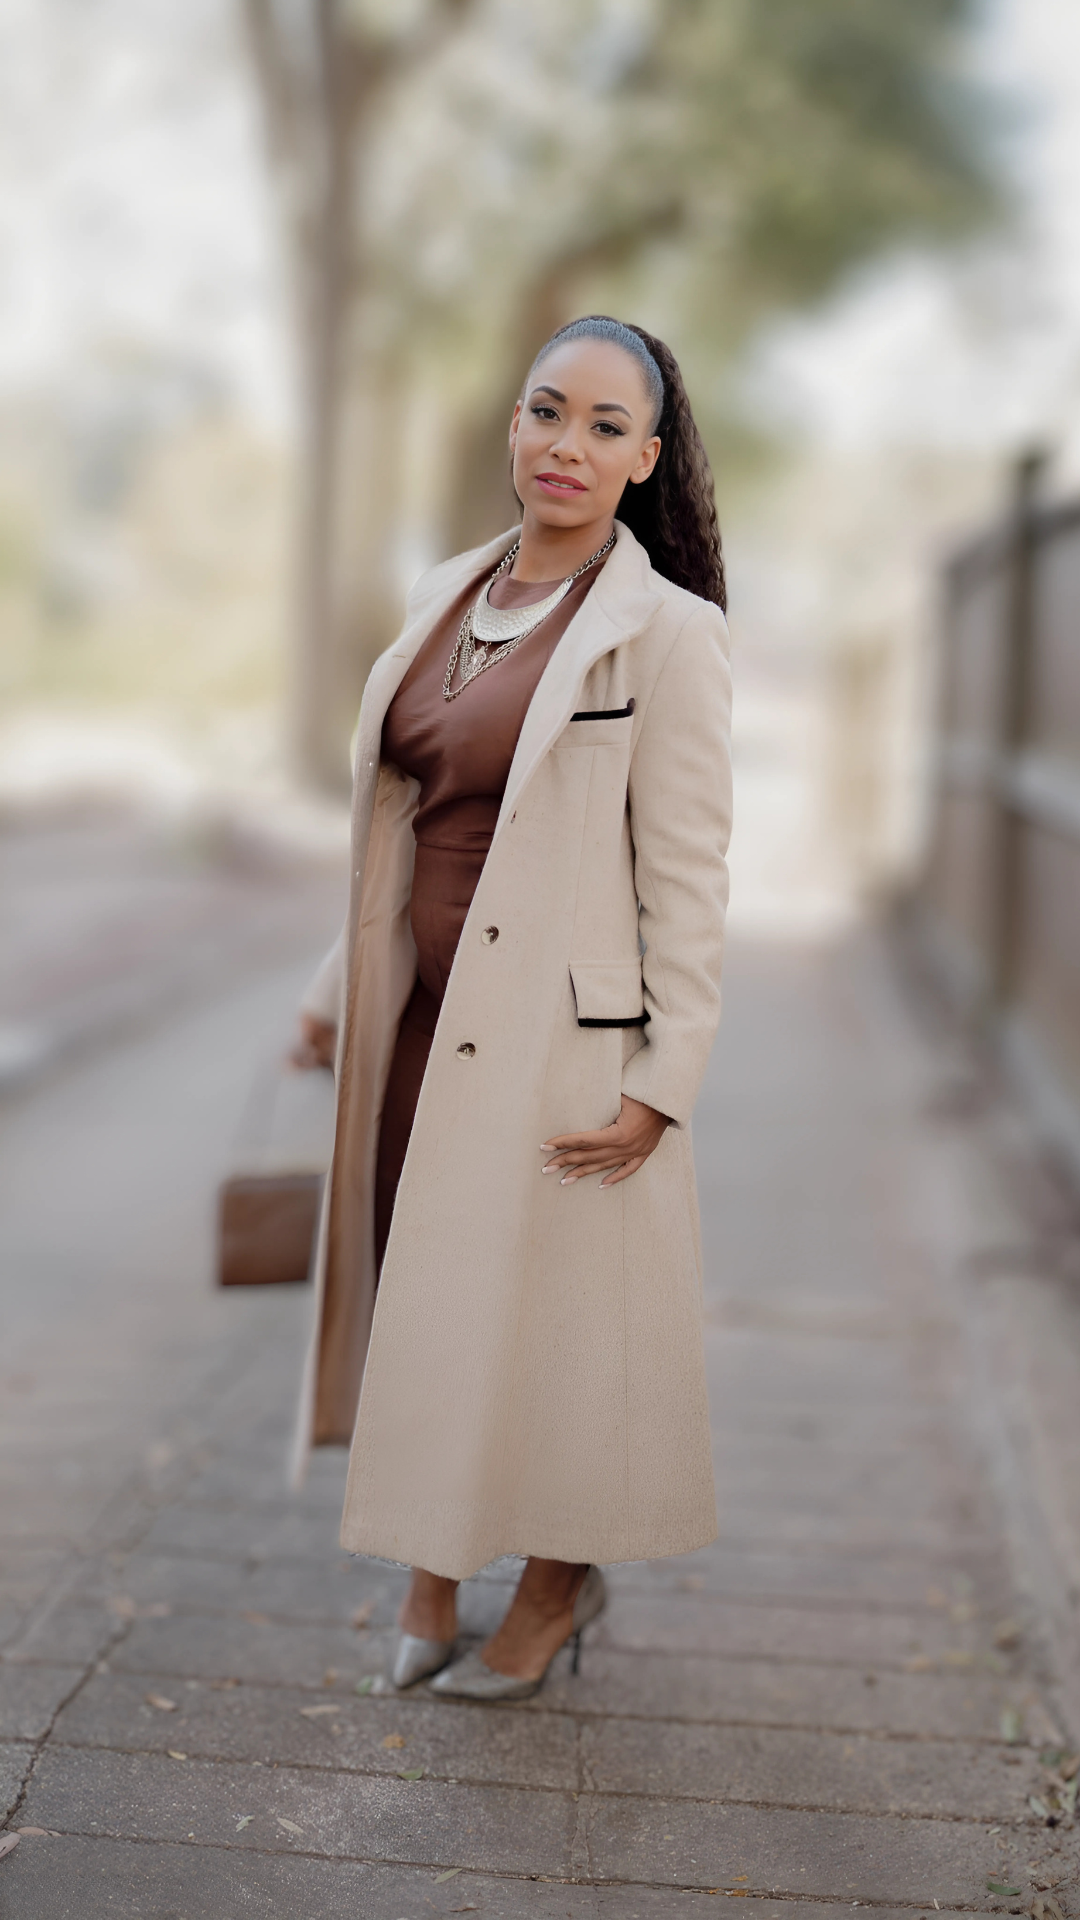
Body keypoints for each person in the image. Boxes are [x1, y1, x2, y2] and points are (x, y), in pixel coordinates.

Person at [293, 315, 732, 1700]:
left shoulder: (669, 636)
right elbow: (398, 817)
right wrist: (333, 989)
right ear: (515, 422)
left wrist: (666, 1079)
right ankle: (432, 1570)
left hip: (559, 1039)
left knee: (548, 1322)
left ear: (646, 461)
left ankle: (551, 1582)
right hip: (421, 1019)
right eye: (551, 411)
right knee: (429, 1296)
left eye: (608, 427)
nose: (568, 445)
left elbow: (690, 877)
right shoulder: (444, 594)